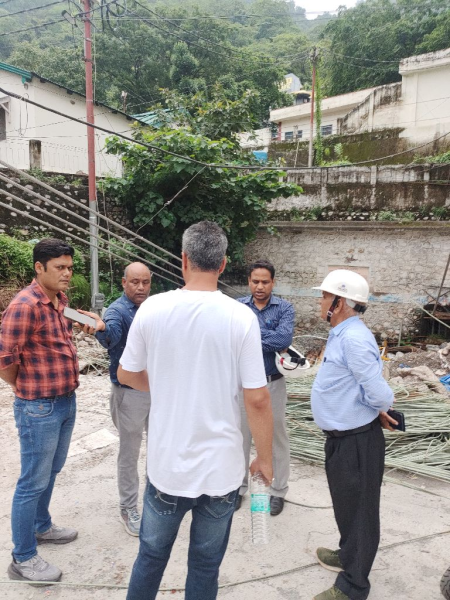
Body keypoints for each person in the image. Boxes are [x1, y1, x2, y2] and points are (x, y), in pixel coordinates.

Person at [117, 221, 273, 600]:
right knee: (205, 565)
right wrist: (265, 458)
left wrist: (165, 383)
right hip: (221, 471)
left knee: (150, 557)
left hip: (168, 468)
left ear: (183, 259)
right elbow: (257, 398)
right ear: (223, 264)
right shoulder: (241, 318)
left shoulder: (153, 309)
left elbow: (126, 374)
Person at [310, 269, 397, 600]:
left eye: (324, 296)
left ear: (340, 302)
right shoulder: (341, 333)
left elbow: (380, 393)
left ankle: (354, 586)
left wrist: (377, 409)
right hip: (342, 439)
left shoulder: (355, 339)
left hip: (357, 441)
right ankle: (348, 555)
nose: (320, 302)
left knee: (360, 513)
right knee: (347, 505)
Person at [0, 239, 80, 583]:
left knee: (51, 471)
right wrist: (24, 387)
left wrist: (91, 319)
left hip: (65, 401)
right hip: (39, 407)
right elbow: (5, 359)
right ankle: (23, 557)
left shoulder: (59, 301)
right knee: (32, 481)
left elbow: (69, 328)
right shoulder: (25, 305)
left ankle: (41, 526)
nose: (67, 274)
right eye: (60, 267)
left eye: (70, 267)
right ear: (39, 267)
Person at [83, 262, 152, 536]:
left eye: (145, 282)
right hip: (129, 393)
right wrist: (100, 328)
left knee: (160, 447)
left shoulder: (152, 307)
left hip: (157, 389)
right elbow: (111, 335)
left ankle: (156, 500)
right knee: (130, 453)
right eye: (135, 282)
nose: (141, 287)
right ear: (124, 283)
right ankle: (128, 508)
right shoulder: (117, 311)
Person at [236, 259, 295, 516]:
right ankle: (238, 488)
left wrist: (248, 336)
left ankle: (278, 491)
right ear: (249, 281)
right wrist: (268, 339)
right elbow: (232, 339)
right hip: (242, 385)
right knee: (240, 436)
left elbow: (284, 338)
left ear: (273, 282)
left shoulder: (284, 308)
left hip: (272, 383)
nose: (260, 287)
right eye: (255, 281)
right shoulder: (237, 307)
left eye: (265, 282)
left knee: (276, 437)